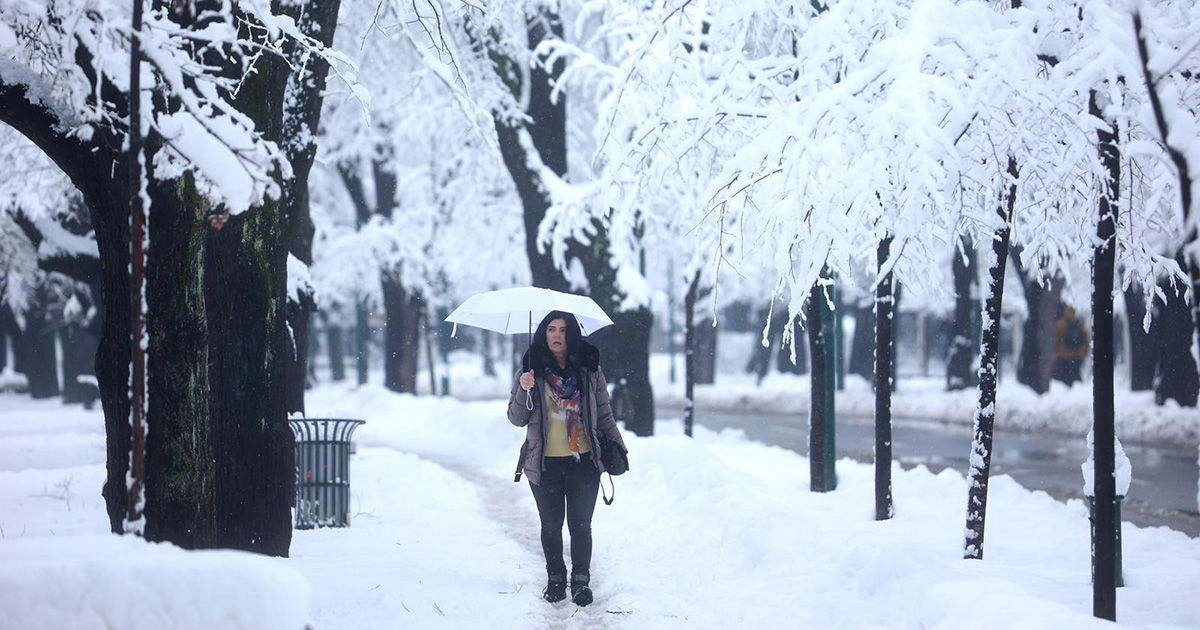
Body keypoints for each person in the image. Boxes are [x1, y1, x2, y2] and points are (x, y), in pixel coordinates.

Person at [507, 310, 628, 607]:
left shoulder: (589, 370)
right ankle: (556, 578)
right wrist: (525, 389)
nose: (557, 335)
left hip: (583, 462)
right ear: (543, 334)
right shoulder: (530, 372)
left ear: (572, 334)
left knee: (580, 524)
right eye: (550, 329)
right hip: (544, 463)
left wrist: (617, 447)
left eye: (562, 329)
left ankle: (581, 581)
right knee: (550, 526)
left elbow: (604, 413)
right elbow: (516, 418)